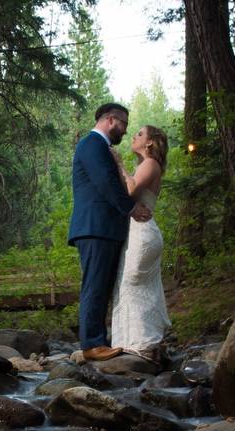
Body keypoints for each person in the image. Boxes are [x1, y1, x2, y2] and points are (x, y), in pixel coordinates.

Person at [68, 103, 153, 361]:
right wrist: (130, 208)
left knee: (102, 286)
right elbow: (105, 181)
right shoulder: (92, 144)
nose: (126, 131)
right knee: (94, 285)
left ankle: (99, 341)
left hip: (103, 228)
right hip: (95, 227)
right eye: (124, 124)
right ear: (111, 120)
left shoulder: (100, 147)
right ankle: (92, 344)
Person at [109, 125, 172, 367]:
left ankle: (142, 345)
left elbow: (132, 188)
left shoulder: (150, 163)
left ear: (149, 143)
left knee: (132, 284)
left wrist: (119, 164)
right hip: (138, 233)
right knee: (132, 286)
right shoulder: (145, 164)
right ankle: (136, 344)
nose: (133, 136)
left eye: (139, 134)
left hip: (143, 234)